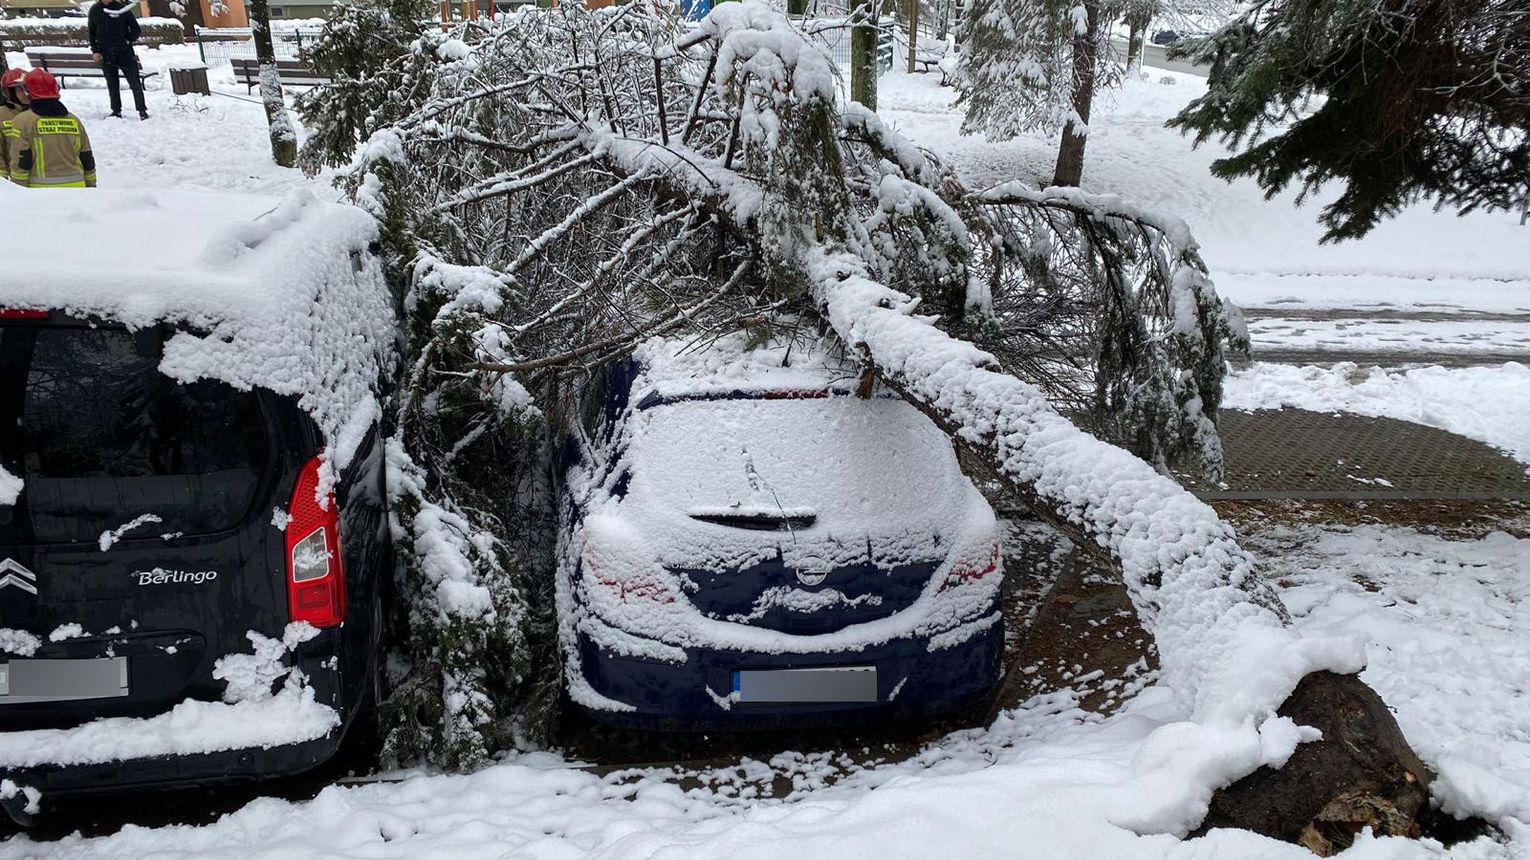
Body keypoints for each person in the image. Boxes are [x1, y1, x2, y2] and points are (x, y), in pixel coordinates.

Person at [10, 70, 97, 189]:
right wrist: (91, 187)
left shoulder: (22, 121)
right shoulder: (74, 120)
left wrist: (18, 190)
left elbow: (21, 161)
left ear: (28, 92)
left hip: (41, 191)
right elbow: (87, 157)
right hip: (77, 189)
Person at [88, 0, 148, 120]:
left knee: (134, 82)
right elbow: (92, 32)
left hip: (124, 53)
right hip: (105, 54)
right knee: (112, 84)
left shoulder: (121, 8)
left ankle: (142, 110)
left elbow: (135, 29)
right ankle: (116, 110)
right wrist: (95, 51)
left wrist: (127, 40)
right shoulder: (95, 10)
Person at [0, 69, 28, 182]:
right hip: (12, 181)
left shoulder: (38, 113)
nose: (26, 93)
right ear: (8, 92)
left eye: (27, 88)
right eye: (20, 89)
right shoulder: (2, 115)